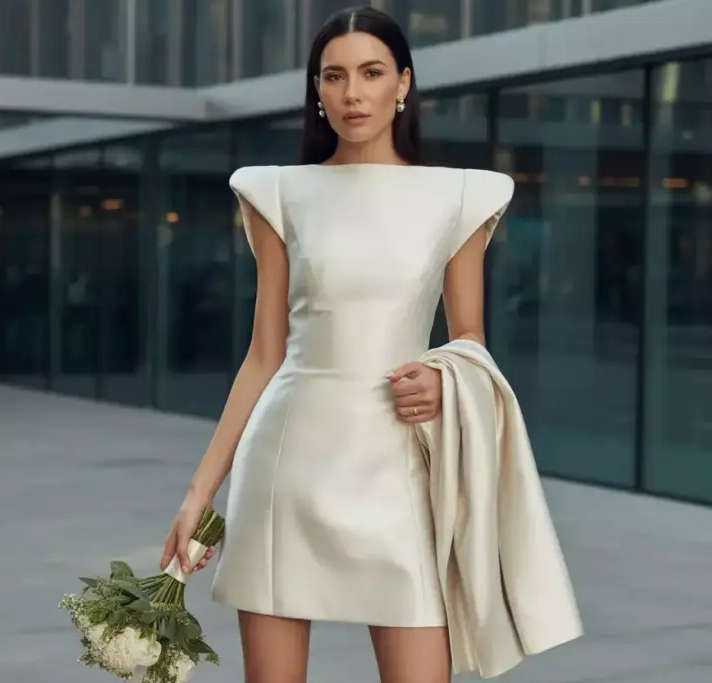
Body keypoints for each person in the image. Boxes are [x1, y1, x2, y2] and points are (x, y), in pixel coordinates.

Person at [161, 6, 519, 682]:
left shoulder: (458, 195)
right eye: (334, 76)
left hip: (398, 464)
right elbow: (264, 353)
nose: (353, 93)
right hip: (287, 461)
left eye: (371, 73)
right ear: (317, 92)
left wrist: (446, 377)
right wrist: (198, 494)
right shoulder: (278, 191)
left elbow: (469, 337)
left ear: (403, 83)